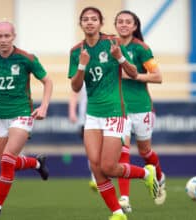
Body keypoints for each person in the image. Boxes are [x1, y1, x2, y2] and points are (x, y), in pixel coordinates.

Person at [68, 7, 159, 220]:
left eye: (94, 19)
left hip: (115, 113)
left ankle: (146, 174)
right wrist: (81, 66)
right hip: (92, 115)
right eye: (85, 19)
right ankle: (117, 213)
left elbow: (134, 73)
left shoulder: (112, 43)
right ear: (80, 24)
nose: (89, 22)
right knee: (96, 166)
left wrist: (119, 58)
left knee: (108, 166)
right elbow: (75, 87)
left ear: (101, 23)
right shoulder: (76, 51)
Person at [0, 21, 53, 215]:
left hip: (21, 114)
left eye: (7, 36)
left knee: (8, 160)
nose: (3, 40)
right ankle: (37, 163)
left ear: (14, 36)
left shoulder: (25, 58)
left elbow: (48, 81)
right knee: (5, 161)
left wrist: (44, 106)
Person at [113, 10, 166, 213]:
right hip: (119, 109)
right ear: (116, 25)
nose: (124, 25)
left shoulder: (142, 48)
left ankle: (159, 179)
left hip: (142, 107)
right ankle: (124, 198)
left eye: (128, 22)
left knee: (145, 152)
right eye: (120, 22)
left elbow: (158, 77)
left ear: (135, 26)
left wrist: (132, 76)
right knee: (122, 152)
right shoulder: (110, 47)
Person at [68, 83, 97, 191]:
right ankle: (95, 178)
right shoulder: (83, 75)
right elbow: (74, 93)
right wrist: (72, 112)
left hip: (101, 118)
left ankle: (98, 177)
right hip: (85, 120)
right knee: (92, 152)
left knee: (102, 152)